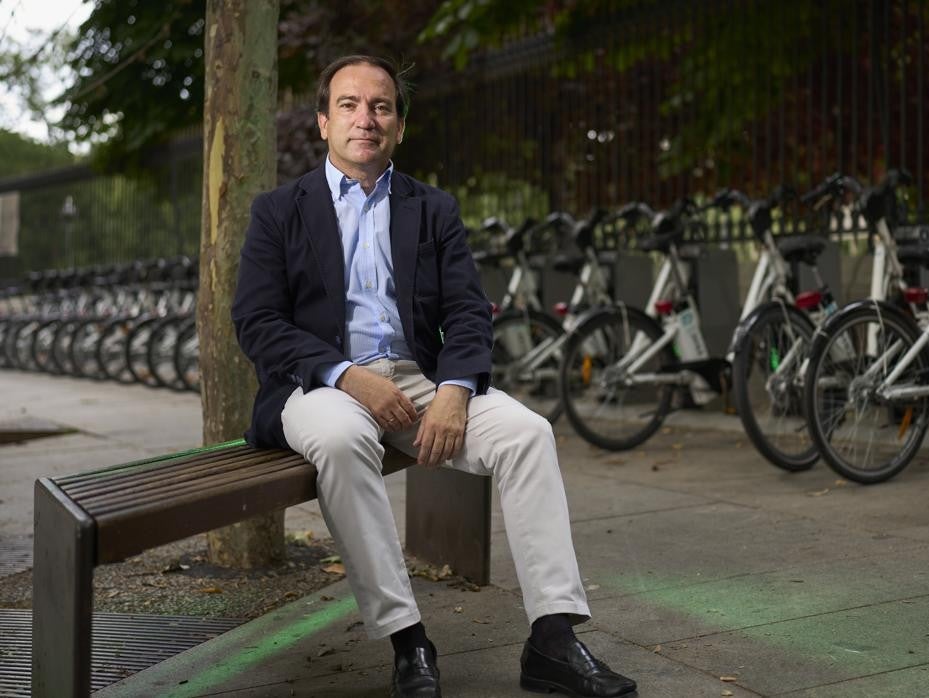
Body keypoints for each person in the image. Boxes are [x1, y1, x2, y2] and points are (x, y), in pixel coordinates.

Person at [232, 54, 637, 698]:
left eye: (381, 106)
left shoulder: (433, 208)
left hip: (420, 379)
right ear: (322, 122)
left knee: (528, 434)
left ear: (399, 126)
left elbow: (469, 311)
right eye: (349, 105)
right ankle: (407, 640)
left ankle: (554, 639)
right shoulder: (279, 211)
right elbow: (256, 323)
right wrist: (344, 375)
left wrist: (454, 391)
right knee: (342, 441)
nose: (366, 118)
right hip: (318, 386)